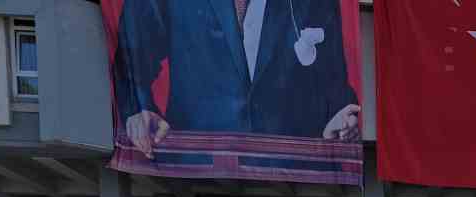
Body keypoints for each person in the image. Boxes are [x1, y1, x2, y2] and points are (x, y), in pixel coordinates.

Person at [111, 0, 360, 156]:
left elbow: (332, 81)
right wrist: (138, 109)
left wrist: (337, 120)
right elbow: (133, 52)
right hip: (195, 166)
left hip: (288, 168)